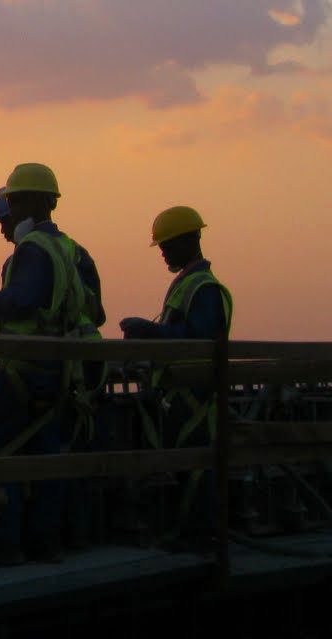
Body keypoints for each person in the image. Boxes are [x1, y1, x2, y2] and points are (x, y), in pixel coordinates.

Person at [0, 162, 88, 563]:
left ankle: (6, 543)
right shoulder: (66, 248)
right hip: (57, 368)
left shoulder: (33, 249)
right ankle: (46, 542)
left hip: (24, 369)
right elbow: (83, 305)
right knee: (46, 452)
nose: (5, 223)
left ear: (28, 203)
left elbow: (23, 300)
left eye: (9, 208)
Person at [120, 206, 234, 537]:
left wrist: (150, 332)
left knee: (195, 466)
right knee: (185, 465)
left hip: (194, 396)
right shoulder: (187, 285)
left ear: (191, 240)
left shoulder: (205, 289)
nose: (164, 253)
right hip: (178, 393)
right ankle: (191, 533)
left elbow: (198, 341)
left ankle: (201, 536)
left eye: (169, 245)